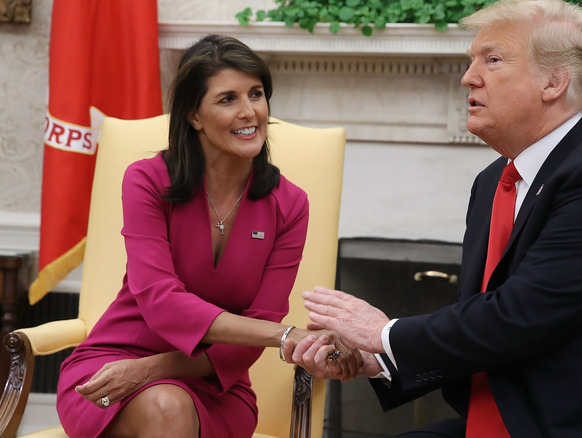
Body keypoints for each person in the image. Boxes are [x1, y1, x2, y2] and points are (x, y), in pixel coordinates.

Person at [289, 0, 582, 436]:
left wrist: (383, 333)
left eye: (492, 60)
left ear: (553, 82)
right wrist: (380, 360)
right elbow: (485, 327)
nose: (468, 77)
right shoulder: (496, 179)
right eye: (472, 60)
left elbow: (519, 317)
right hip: (534, 418)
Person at [56, 34, 360, 438]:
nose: (249, 112)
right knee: (165, 406)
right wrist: (288, 335)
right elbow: (162, 304)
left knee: (168, 405)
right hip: (114, 364)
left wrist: (150, 370)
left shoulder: (290, 204)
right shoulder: (147, 181)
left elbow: (254, 331)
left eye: (256, 94)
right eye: (227, 99)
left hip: (217, 383)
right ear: (193, 116)